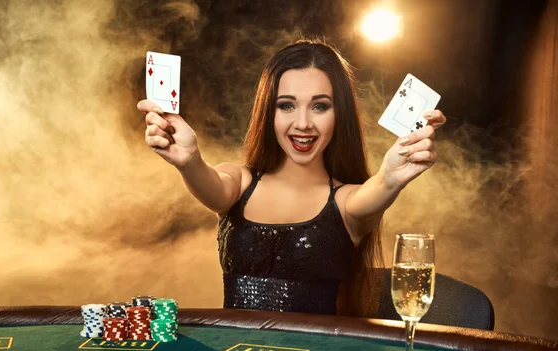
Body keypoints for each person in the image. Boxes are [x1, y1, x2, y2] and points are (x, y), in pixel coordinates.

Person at [137, 39, 446, 318]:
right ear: (268, 113)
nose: (303, 124)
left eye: (319, 106)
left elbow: (379, 187)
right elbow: (212, 187)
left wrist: (392, 176)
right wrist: (189, 161)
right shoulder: (239, 182)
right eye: (287, 105)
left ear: (340, 115)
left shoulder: (347, 201)